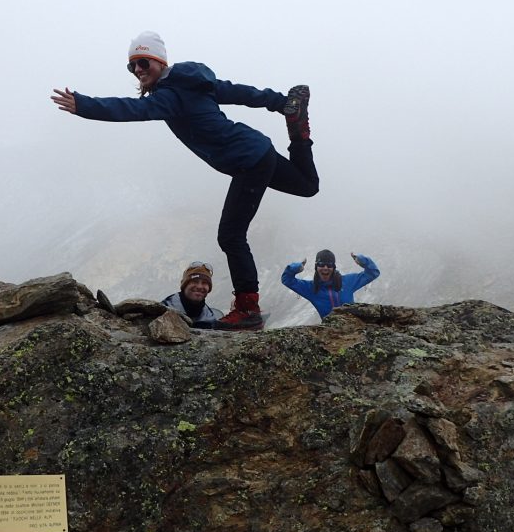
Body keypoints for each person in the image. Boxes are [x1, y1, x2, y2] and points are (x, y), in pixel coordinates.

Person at [51, 31, 318, 330]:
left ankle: (247, 308)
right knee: (307, 187)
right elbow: (238, 92)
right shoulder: (196, 84)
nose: (138, 70)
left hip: (249, 161)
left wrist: (85, 105)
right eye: (132, 66)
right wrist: (280, 103)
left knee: (230, 235)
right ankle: (299, 133)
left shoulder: (170, 97)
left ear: (160, 62)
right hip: (257, 151)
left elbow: (131, 109)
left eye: (143, 62)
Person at [282, 250, 380, 319]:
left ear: (333, 267)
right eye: (321, 264)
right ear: (316, 267)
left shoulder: (347, 281)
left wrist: (362, 261)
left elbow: (373, 273)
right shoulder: (311, 288)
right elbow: (287, 279)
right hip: (330, 336)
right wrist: (297, 267)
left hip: (353, 332)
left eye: (329, 265)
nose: (325, 268)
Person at [162, 261, 223, 329]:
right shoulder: (165, 310)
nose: (199, 286)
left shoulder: (209, 318)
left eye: (204, 283)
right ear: (184, 286)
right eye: (195, 281)